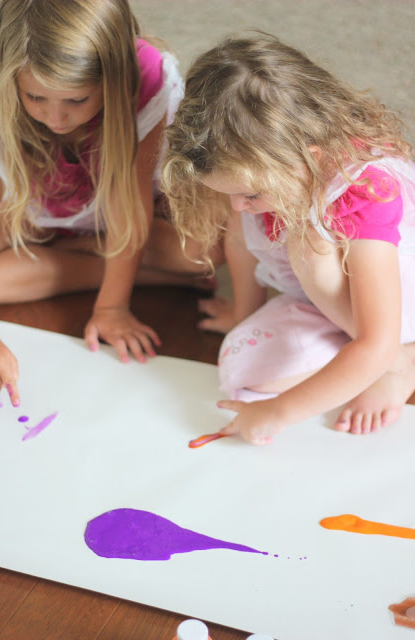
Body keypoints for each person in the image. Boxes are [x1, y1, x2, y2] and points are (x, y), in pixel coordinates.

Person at [162, 31, 415, 444]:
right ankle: (366, 358)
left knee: (310, 246)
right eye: (231, 195)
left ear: (307, 160)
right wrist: (243, 316)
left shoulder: (366, 191)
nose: (239, 206)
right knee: (243, 371)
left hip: (395, 304)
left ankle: (402, 361)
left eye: (249, 195)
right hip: (328, 306)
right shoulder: (262, 169)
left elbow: (376, 338)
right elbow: (240, 243)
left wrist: (278, 413)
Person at [0, 0, 220, 406]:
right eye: (35, 96)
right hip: (36, 209)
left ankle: (94, 258)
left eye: (76, 100)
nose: (55, 118)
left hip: (121, 209)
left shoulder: (145, 78)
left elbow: (129, 204)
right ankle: (135, 271)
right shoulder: (3, 109)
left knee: (205, 253)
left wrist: (112, 308)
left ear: (112, 76)